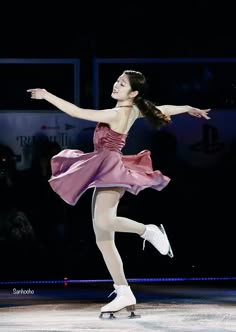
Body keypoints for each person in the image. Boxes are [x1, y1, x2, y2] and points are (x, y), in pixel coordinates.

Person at [27, 70, 210, 318]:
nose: (116, 85)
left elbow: (78, 113)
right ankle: (123, 291)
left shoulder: (117, 113)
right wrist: (187, 106)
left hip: (110, 168)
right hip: (104, 166)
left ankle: (149, 231)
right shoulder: (134, 109)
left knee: (104, 223)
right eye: (117, 81)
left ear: (132, 93)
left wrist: (47, 95)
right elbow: (162, 107)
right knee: (103, 237)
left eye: (122, 83)